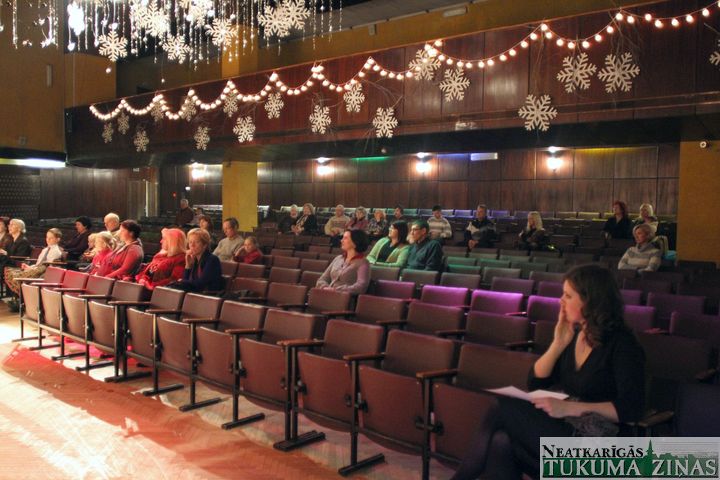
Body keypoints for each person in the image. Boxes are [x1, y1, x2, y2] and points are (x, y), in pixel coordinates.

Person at [451, 264, 645, 479]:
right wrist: (558, 344)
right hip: (568, 428)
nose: (561, 301)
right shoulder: (576, 335)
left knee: (500, 405)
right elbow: (537, 384)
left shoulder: (623, 344)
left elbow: (631, 408)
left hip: (599, 442)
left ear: (590, 301)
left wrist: (570, 408)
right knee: (501, 441)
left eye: (568, 296)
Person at [4, 228, 63, 296]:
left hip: (43, 272)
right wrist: (31, 267)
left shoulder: (56, 251)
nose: (48, 239)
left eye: (51, 238)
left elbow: (47, 266)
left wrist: (33, 269)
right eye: (47, 237)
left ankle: (21, 294)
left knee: (16, 275)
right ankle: (20, 294)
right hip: (38, 268)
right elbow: (38, 263)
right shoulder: (45, 249)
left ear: (58, 239)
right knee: (9, 270)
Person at [316, 230, 370, 294]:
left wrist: (336, 290)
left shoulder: (363, 263)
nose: (341, 240)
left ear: (355, 243)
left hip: (344, 297)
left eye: (345, 238)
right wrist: (324, 287)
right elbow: (323, 278)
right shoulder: (338, 258)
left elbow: (361, 287)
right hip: (327, 294)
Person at [174, 228, 223, 292]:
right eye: (190, 242)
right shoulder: (195, 259)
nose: (192, 245)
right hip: (195, 294)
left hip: (207, 295)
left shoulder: (212, 260)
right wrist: (188, 266)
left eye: (196, 242)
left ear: (204, 245)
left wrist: (182, 281)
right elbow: (186, 283)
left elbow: (201, 284)